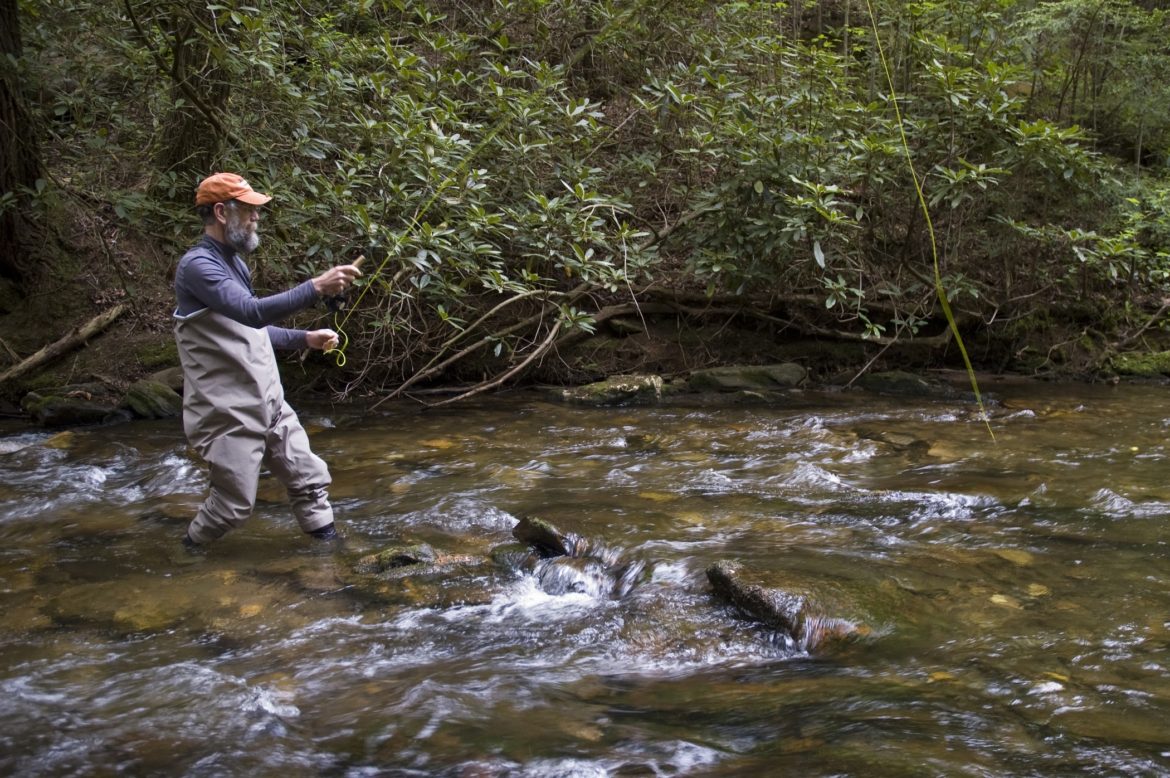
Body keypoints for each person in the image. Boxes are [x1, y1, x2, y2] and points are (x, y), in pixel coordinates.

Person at [174, 172, 362, 548]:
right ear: (221, 212)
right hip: (229, 412)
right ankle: (185, 562)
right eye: (249, 210)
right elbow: (251, 312)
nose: (257, 217)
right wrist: (316, 287)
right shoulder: (197, 267)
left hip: (269, 402)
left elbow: (246, 330)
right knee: (231, 507)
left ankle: (331, 558)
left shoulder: (235, 264)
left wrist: (303, 339)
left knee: (310, 482)